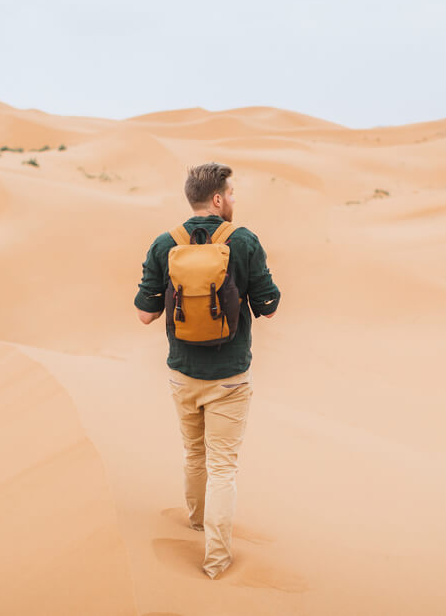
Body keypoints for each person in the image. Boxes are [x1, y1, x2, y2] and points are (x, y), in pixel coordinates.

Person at [134, 162, 281, 579]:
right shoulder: (244, 241)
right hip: (230, 376)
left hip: (182, 373)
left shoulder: (165, 244)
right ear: (217, 199)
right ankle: (216, 560)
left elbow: (145, 315)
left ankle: (196, 521)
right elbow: (268, 306)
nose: (234, 199)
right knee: (222, 467)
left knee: (194, 453)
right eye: (231, 193)